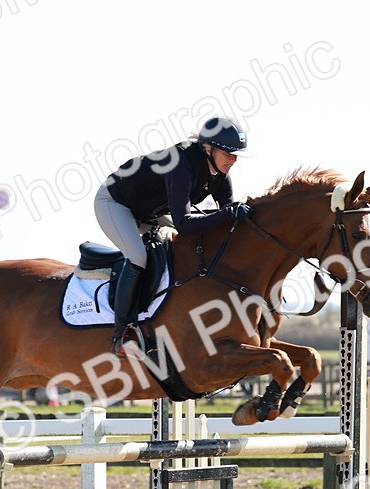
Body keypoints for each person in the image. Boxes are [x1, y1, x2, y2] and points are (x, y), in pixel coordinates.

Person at [95, 116, 253, 354]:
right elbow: (186, 224)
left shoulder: (220, 174)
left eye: (236, 154)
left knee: (184, 248)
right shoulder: (181, 164)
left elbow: (226, 225)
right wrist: (229, 214)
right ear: (207, 148)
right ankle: (121, 334)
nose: (234, 159)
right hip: (115, 203)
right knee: (138, 256)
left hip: (149, 211)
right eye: (228, 153)